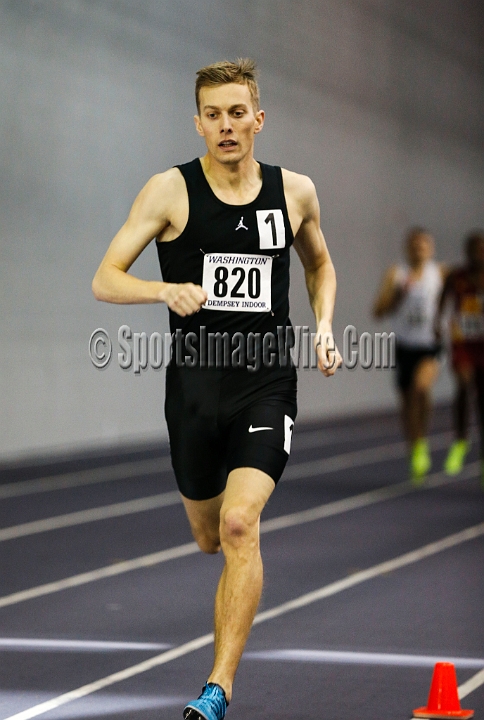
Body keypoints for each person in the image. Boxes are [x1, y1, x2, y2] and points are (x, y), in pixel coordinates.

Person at [92, 58, 341, 720]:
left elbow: (318, 262)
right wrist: (161, 289)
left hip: (266, 383)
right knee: (208, 536)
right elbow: (105, 276)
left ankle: (218, 687)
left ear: (259, 118)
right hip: (194, 389)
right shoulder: (168, 192)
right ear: (197, 122)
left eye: (238, 113)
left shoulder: (295, 192)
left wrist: (322, 327)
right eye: (213, 114)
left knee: (239, 523)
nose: (226, 125)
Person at [373, 228, 445, 484]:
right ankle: (414, 446)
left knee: (421, 389)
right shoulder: (396, 274)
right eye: (414, 245)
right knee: (406, 404)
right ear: (407, 249)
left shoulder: (441, 274)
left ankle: (422, 442)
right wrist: (398, 295)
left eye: (424, 245)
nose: (419, 249)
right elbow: (378, 311)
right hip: (404, 347)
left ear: (431, 248)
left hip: (430, 346)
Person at [436, 230, 484, 486]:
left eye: (481, 249)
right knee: (464, 386)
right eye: (473, 249)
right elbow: (442, 300)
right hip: (463, 343)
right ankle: (461, 440)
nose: (478, 254)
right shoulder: (456, 276)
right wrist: (437, 323)